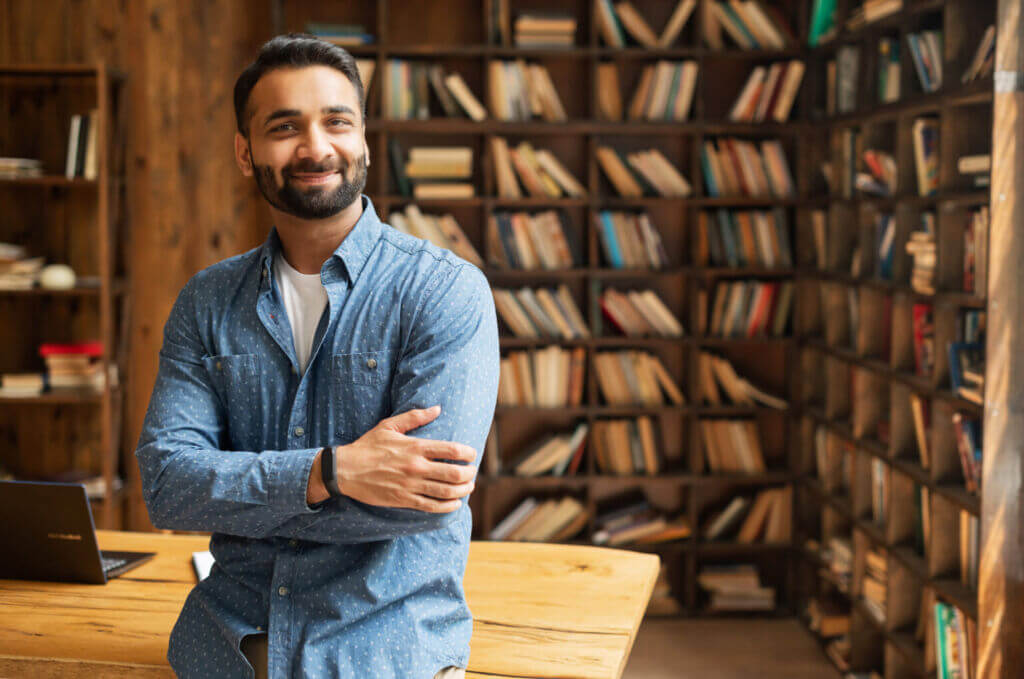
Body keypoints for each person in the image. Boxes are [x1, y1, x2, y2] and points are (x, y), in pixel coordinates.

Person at [135, 33, 499, 679]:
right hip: (224, 648)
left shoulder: (444, 289)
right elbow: (167, 487)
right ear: (246, 153)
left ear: (363, 140)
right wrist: (334, 468)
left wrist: (242, 490)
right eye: (284, 127)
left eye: (337, 121)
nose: (315, 147)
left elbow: (421, 497)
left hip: (386, 650)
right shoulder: (207, 300)